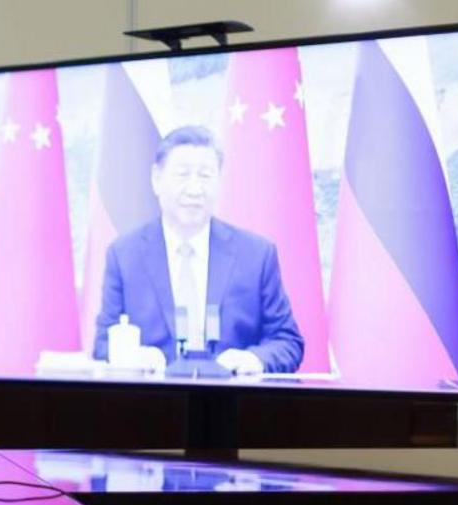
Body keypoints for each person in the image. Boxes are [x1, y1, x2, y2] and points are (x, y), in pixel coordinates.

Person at [93, 126, 304, 374]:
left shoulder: (256, 255)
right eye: (183, 175)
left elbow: (287, 341)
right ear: (156, 179)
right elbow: (103, 345)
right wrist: (133, 356)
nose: (195, 189)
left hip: (232, 403)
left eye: (205, 176)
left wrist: (253, 360)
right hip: (153, 404)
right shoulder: (124, 255)